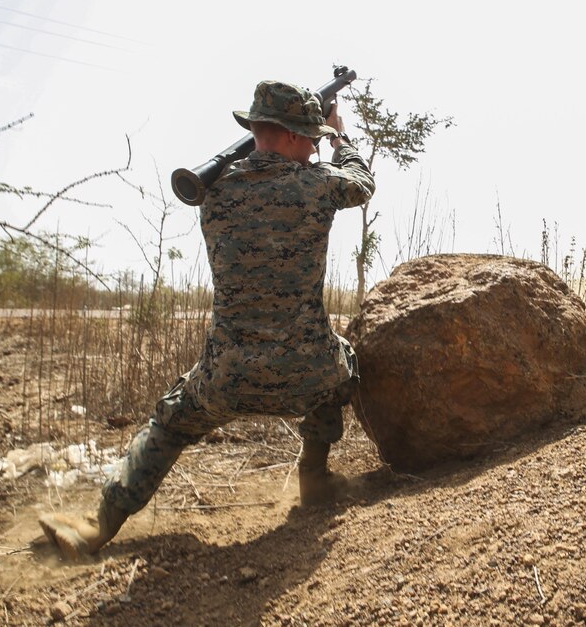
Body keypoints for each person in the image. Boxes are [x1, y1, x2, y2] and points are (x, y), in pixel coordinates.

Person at [38, 80, 376, 561]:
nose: (316, 144)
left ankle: (98, 525)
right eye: (312, 137)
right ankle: (315, 478)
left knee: (169, 424)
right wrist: (341, 138)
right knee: (344, 365)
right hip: (308, 374)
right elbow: (361, 183)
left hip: (225, 378)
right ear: (290, 136)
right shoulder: (318, 185)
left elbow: (261, 181)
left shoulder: (214, 192)